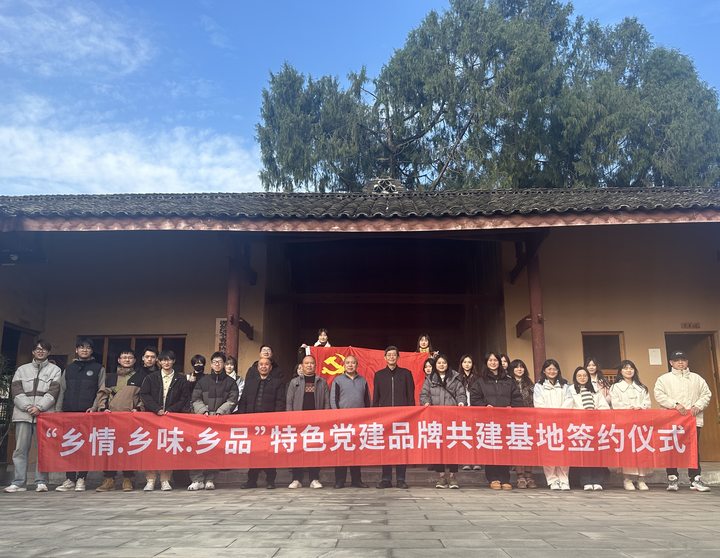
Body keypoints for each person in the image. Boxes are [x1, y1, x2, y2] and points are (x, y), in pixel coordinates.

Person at [4, 339, 61, 493]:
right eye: (37, 349)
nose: (40, 351)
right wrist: (28, 407)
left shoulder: (55, 370)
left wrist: (40, 407)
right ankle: (18, 482)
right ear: (33, 352)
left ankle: (41, 481)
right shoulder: (22, 370)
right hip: (23, 414)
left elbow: (54, 391)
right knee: (20, 449)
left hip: (44, 415)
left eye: (43, 349)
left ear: (49, 352)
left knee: (43, 449)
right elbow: (16, 390)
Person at [654, 350, 712, 492]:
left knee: (693, 449)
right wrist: (675, 405)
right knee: (671, 448)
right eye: (677, 360)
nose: (680, 362)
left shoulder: (697, 378)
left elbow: (706, 394)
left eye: (683, 360)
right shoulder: (664, 379)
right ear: (671, 362)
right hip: (671, 421)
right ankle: (672, 477)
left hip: (692, 421)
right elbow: (659, 394)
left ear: (687, 361)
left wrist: (698, 406)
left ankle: (695, 479)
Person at [55, 338, 106, 492]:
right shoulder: (69, 368)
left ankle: (81, 478)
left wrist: (94, 407)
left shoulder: (98, 368)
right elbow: (62, 390)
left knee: (85, 446)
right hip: (68, 412)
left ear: (92, 351)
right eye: (81, 347)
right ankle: (70, 478)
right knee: (70, 445)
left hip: (87, 413)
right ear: (76, 350)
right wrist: (58, 410)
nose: (84, 350)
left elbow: (101, 390)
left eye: (88, 347)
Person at [94, 349, 147, 492]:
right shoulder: (110, 377)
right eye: (124, 357)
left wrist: (139, 408)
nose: (127, 360)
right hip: (111, 418)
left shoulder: (140, 377)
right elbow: (102, 394)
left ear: (134, 360)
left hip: (130, 418)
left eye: (130, 357)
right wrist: (102, 408)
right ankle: (109, 479)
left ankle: (128, 478)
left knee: (129, 449)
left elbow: (144, 395)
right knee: (109, 449)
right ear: (119, 360)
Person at [469, 352, 523, 490]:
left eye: (495, 360)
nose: (493, 363)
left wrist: (512, 407)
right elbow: (474, 398)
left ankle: (505, 478)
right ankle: (493, 478)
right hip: (488, 421)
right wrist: (484, 406)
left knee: (504, 449)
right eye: (490, 360)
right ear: (486, 363)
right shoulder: (480, 381)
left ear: (499, 362)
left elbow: (517, 397)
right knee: (491, 449)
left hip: (506, 421)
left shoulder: (509, 381)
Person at [139, 349, 190, 491]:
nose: (166, 363)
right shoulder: (151, 378)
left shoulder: (181, 379)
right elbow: (144, 394)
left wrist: (171, 410)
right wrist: (156, 409)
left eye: (169, 360)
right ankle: (150, 479)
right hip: (153, 418)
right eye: (163, 360)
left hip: (171, 419)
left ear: (173, 361)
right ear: (159, 362)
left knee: (168, 448)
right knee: (150, 449)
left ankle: (165, 479)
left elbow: (184, 398)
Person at [188, 351, 239, 491]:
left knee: (215, 450)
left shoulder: (230, 382)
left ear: (224, 364)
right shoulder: (203, 381)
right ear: (211, 364)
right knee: (198, 449)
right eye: (215, 362)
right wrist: (203, 411)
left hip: (219, 420)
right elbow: (195, 398)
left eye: (220, 362)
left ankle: (210, 478)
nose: (217, 364)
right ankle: (197, 479)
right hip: (203, 420)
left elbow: (232, 400)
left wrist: (220, 412)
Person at [236, 356, 286, 489]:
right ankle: (251, 480)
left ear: (270, 367)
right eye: (261, 364)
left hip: (269, 423)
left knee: (269, 452)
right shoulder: (250, 382)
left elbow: (280, 402)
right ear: (257, 367)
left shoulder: (277, 383)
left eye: (266, 364)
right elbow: (243, 401)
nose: (263, 367)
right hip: (252, 423)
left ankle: (270, 480)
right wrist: (242, 418)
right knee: (253, 452)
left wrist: (276, 420)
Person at [419, 354, 466, 489]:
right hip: (436, 418)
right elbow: (424, 394)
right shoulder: (430, 379)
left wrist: (461, 402)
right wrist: (426, 402)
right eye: (439, 363)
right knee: (438, 447)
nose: (441, 365)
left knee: (452, 446)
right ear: (435, 365)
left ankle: (452, 476)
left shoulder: (455, 378)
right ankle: (441, 477)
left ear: (447, 364)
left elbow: (461, 394)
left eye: (444, 363)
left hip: (452, 418)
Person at [373, 346, 415, 489]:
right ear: (385, 358)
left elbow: (411, 396)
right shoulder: (379, 375)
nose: (391, 357)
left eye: (394, 355)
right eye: (389, 355)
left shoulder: (406, 374)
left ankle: (401, 479)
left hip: (403, 418)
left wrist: (411, 415)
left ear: (398, 357)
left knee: (401, 448)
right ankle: (386, 479)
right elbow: (376, 397)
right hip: (384, 418)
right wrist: (374, 415)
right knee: (386, 448)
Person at [286, 355, 330, 488]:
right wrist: (290, 418)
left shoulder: (322, 382)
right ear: (302, 366)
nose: (309, 365)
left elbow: (326, 402)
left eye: (312, 363)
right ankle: (296, 479)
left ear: (315, 366)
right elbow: (289, 402)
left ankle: (314, 478)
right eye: (306, 363)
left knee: (315, 450)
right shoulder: (294, 382)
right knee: (297, 449)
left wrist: (325, 418)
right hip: (298, 421)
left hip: (316, 422)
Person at [330, 355, 371, 488]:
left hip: (358, 421)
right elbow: (333, 400)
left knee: (356, 451)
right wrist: (337, 416)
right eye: (348, 363)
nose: (350, 365)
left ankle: (356, 480)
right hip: (342, 421)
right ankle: (339, 480)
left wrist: (366, 417)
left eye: (353, 363)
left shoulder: (363, 380)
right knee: (341, 451)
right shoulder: (338, 380)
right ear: (344, 365)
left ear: (357, 365)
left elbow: (367, 401)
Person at [610, 360, 651, 491]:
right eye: (625, 368)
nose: (629, 370)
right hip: (625, 423)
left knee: (642, 449)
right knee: (628, 450)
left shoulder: (642, 387)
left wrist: (641, 407)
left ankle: (641, 479)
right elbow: (616, 404)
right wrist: (630, 407)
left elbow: (648, 403)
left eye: (631, 368)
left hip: (641, 423)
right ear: (620, 371)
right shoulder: (615, 387)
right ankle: (627, 478)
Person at [533, 359, 573, 490]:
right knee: (548, 451)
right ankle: (552, 479)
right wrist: (550, 415)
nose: (552, 371)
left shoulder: (565, 385)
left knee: (563, 451)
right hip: (546, 422)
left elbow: (569, 401)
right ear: (544, 371)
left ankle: (564, 479)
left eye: (554, 369)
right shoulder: (539, 386)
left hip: (563, 422)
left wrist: (559, 414)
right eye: (549, 369)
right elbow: (538, 403)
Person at [568, 366, 610, 491]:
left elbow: (604, 406)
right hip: (580, 427)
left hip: (595, 426)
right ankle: (585, 480)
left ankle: (597, 480)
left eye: (584, 375)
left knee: (596, 454)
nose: (582, 378)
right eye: (579, 376)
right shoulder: (571, 390)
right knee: (583, 454)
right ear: (575, 377)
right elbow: (568, 407)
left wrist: (596, 412)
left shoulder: (595, 390)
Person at [509, 358, 537, 489]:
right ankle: (520, 476)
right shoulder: (508, 383)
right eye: (516, 367)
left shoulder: (530, 383)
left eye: (521, 367)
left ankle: (529, 475)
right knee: (518, 447)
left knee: (528, 447)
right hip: (514, 419)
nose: (519, 369)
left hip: (529, 418)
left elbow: (535, 400)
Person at [457, 354, 481, 471]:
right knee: (464, 435)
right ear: (461, 364)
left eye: (469, 362)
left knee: (476, 436)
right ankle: (465, 461)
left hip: (475, 409)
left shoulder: (478, 378)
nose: (467, 364)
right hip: (461, 409)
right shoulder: (456, 377)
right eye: (465, 362)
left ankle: (477, 461)